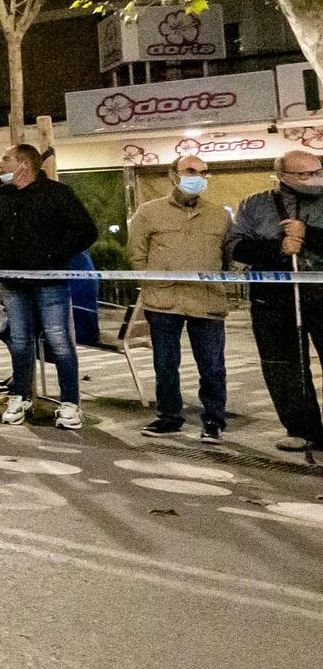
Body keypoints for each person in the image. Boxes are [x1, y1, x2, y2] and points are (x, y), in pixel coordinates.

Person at [0, 145, 97, 427]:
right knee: (19, 339)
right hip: (13, 281)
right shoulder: (3, 197)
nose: (0, 164)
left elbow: (86, 231)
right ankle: (20, 395)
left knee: (58, 339)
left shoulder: (57, 194)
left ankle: (70, 403)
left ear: (24, 164)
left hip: (50, 281)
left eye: (6, 159)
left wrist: (52, 255)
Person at [127, 156, 230, 441]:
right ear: (173, 175)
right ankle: (169, 417)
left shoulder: (220, 215)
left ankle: (213, 420)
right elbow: (136, 253)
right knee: (165, 363)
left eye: (203, 173)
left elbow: (228, 258)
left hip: (206, 300)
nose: (198, 177)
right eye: (190, 171)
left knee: (212, 365)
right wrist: (150, 283)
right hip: (163, 300)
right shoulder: (148, 212)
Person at [227, 152, 323, 451]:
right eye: (303, 174)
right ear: (281, 175)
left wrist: (309, 235)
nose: (313, 179)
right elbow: (236, 247)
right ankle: (301, 429)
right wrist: (279, 247)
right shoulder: (255, 205)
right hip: (274, 301)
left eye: (317, 171)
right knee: (283, 366)